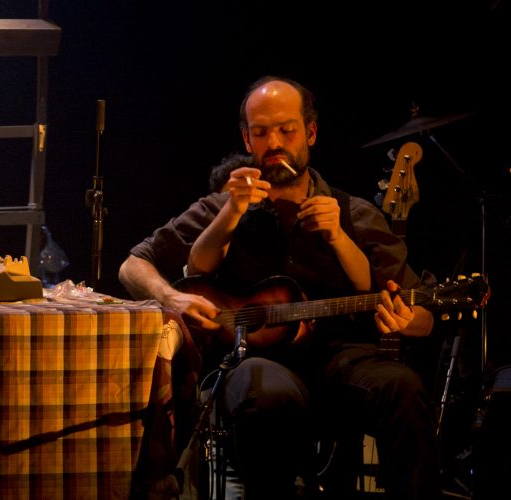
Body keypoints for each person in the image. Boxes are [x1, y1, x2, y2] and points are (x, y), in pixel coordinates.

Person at [119, 76, 440, 498]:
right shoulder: (222, 207)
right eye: (261, 132)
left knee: (403, 388)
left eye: (287, 130)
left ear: (311, 132)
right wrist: (173, 297)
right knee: (264, 391)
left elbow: (424, 314)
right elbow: (132, 265)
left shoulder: (355, 214)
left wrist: (407, 320)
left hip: (343, 365)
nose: (274, 143)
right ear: (246, 139)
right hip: (256, 365)